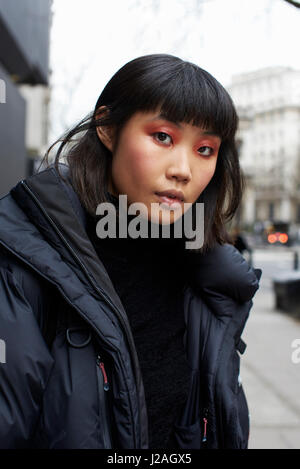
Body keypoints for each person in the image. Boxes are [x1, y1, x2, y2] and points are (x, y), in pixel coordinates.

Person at [0, 54, 261, 449]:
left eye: (205, 149)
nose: (183, 170)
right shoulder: (24, 261)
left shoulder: (208, 279)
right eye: (163, 137)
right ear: (106, 128)